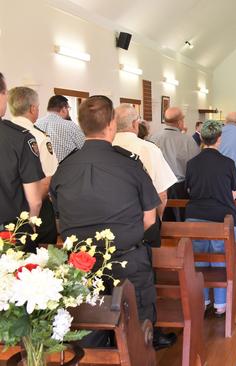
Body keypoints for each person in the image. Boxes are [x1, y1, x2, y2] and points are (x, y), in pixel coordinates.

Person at [50, 95, 176, 349]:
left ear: (82, 125)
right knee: (137, 335)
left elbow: (59, 219)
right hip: (127, 261)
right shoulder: (129, 164)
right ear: (110, 125)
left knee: (89, 335)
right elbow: (150, 217)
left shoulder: (64, 168)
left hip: (81, 266)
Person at [185, 120, 236, 316]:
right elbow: (234, 193)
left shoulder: (191, 163)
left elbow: (189, 190)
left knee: (199, 261)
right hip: (222, 218)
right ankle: (220, 305)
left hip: (194, 218)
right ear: (219, 139)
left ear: (201, 137)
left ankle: (203, 301)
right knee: (220, 260)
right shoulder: (228, 163)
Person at [113, 104, 177, 237]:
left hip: (110, 223)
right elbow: (162, 194)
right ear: (135, 124)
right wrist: (157, 218)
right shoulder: (149, 149)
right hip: (143, 220)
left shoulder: (105, 146)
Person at [8, 87, 59, 244]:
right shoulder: (38, 137)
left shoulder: (6, 133)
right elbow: (48, 178)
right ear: (32, 108)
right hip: (36, 212)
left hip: (8, 209)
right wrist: (32, 218)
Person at [0, 72, 45, 230]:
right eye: (5, 93)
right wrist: (31, 228)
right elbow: (35, 200)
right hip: (10, 232)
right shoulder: (19, 138)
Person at [149, 106, 200, 221]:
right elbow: (196, 165)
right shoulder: (187, 140)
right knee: (180, 221)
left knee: (163, 221)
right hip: (179, 187)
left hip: (158, 187)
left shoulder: (153, 138)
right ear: (180, 122)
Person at [35, 95, 85, 162]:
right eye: (68, 108)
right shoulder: (70, 125)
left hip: (43, 169)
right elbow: (84, 147)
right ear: (64, 109)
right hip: (68, 168)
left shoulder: (36, 124)